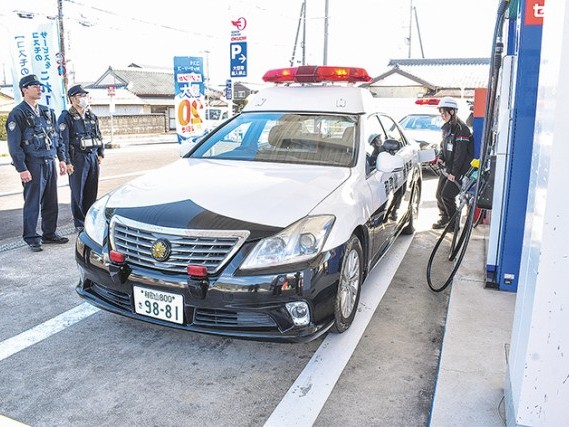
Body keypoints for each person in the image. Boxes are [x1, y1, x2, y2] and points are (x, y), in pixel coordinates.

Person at [6, 75, 69, 251]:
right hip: (32, 163)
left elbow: (57, 138)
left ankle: (49, 233)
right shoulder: (17, 113)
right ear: (24, 90)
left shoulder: (47, 112)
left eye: (39, 86)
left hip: (49, 161)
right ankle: (31, 237)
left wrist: (62, 159)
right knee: (32, 201)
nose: (39, 89)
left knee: (51, 200)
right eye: (34, 86)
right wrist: (22, 168)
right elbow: (14, 145)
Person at [57, 84, 104, 232]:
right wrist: (67, 161)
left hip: (92, 157)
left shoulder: (91, 116)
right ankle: (79, 222)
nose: (84, 98)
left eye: (85, 96)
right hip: (77, 158)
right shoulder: (66, 117)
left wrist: (100, 153)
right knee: (78, 191)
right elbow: (62, 141)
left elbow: (98, 135)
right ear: (72, 99)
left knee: (91, 189)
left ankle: (89, 219)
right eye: (80, 96)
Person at [432, 97, 474, 230]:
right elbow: (443, 146)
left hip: (458, 170)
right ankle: (444, 218)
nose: (442, 115)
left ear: (452, 112)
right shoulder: (447, 128)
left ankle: (454, 224)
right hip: (448, 168)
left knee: (447, 195)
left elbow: (460, 154)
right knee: (439, 195)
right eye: (441, 112)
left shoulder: (462, 129)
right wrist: (440, 157)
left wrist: (454, 173)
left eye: (444, 112)